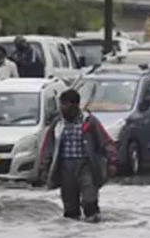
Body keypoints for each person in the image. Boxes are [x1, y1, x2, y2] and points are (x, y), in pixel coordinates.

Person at [39, 89, 118, 222]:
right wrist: (43, 167)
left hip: (86, 166)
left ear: (75, 105)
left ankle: (93, 226)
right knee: (70, 208)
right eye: (61, 104)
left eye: (65, 105)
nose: (62, 108)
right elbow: (48, 147)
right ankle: (73, 235)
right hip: (65, 167)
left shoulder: (90, 122)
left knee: (89, 200)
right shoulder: (58, 124)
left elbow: (106, 141)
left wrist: (112, 161)